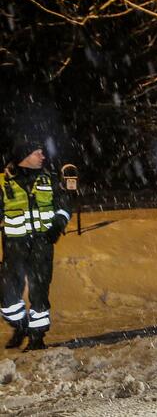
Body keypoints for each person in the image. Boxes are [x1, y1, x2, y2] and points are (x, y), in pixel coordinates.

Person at [1, 139, 71, 351]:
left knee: (39, 291)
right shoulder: (4, 183)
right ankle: (21, 325)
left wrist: (57, 225)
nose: (42, 156)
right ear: (25, 157)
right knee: (7, 294)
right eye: (37, 153)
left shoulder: (48, 179)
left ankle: (37, 338)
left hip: (42, 243)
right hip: (15, 246)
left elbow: (64, 206)